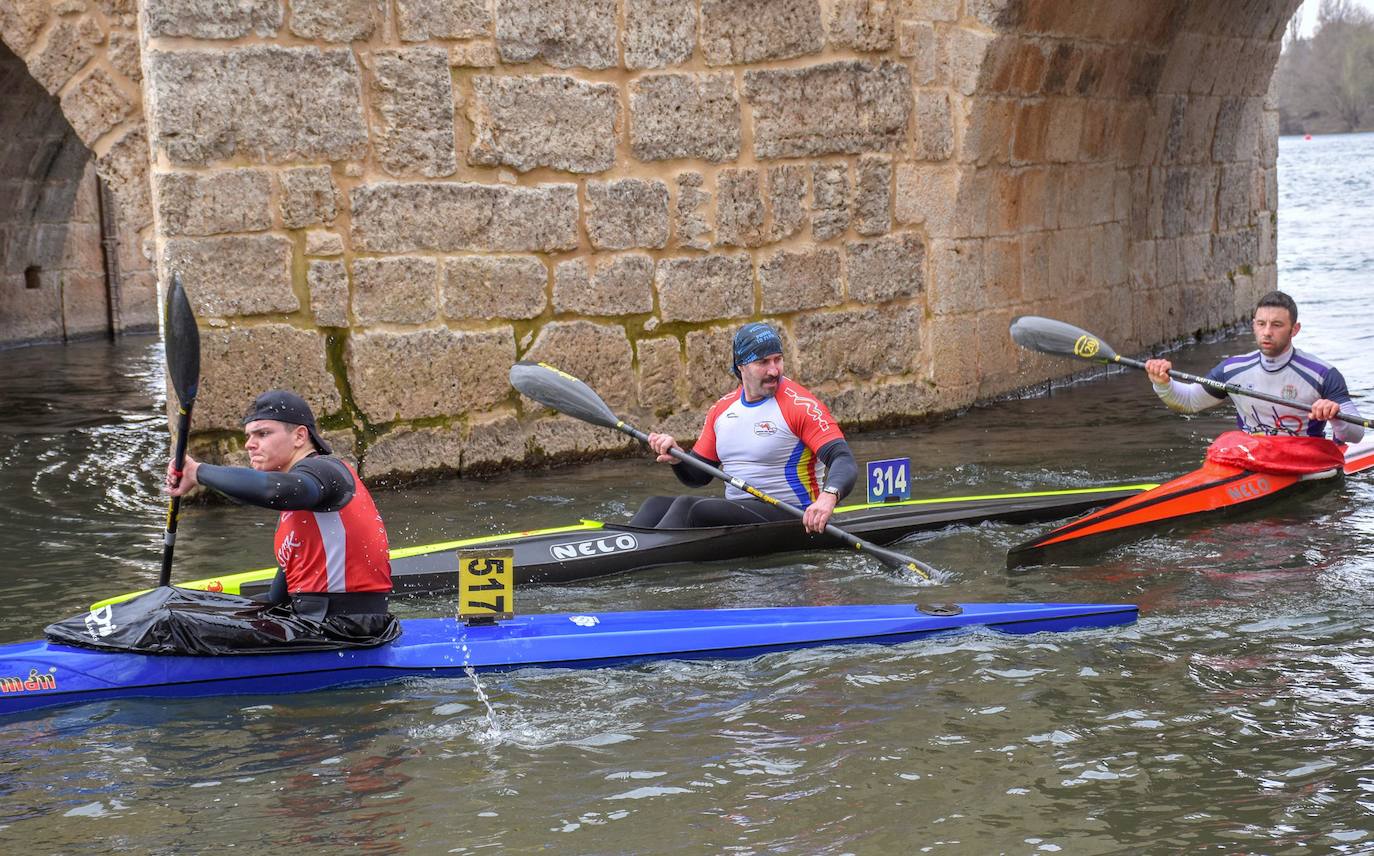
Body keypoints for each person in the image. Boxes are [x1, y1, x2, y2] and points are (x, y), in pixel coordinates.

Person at [166, 389, 394, 628]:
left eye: (262, 434)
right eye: (248, 436)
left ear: (299, 436)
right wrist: (207, 607)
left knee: (172, 629)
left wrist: (197, 472)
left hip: (348, 629)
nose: (249, 445)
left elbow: (272, 491)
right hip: (314, 622)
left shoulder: (326, 471)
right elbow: (276, 600)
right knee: (181, 613)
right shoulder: (297, 512)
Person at [629, 322, 858, 534]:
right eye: (763, 362)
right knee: (654, 505)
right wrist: (678, 458)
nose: (774, 370)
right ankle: (617, 544)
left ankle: (638, 559)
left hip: (795, 513)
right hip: (741, 512)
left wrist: (828, 498)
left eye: (777, 359)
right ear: (741, 366)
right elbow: (698, 476)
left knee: (690, 507)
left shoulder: (800, 406)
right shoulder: (721, 410)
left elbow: (843, 459)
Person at [1145, 290, 1363, 444]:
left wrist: (1334, 414)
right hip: (1252, 456)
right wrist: (1163, 384)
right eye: (1261, 324)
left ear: (1294, 330)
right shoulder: (1232, 370)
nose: (1267, 331)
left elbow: (1356, 435)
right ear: (1253, 325)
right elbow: (1189, 401)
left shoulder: (1322, 374)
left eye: (1277, 325)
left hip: (1304, 460)